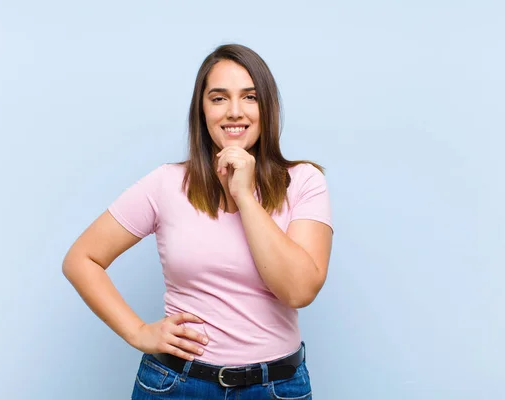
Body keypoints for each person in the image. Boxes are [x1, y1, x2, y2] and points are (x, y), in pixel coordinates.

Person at [62, 43, 333, 399]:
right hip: (176, 385)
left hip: (276, 388)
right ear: (201, 111)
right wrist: (138, 331)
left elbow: (299, 290)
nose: (234, 112)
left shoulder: (304, 181)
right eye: (218, 98)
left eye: (250, 97)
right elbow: (81, 260)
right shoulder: (166, 184)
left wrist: (245, 197)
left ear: (269, 107)